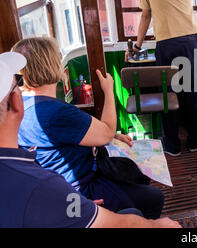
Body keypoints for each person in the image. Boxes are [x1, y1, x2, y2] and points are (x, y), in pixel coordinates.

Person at [0, 51, 180, 228]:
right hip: (82, 189)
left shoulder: (25, 113)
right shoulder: (55, 111)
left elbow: (55, 141)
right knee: (148, 202)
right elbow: (107, 132)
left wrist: (110, 136)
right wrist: (109, 91)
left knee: (146, 190)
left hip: (69, 187)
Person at [126, 0, 197, 156]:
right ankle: (195, 141)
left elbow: (146, 15)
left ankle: (172, 145)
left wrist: (137, 47)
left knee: (169, 95)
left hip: (167, 44)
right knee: (193, 93)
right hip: (190, 42)